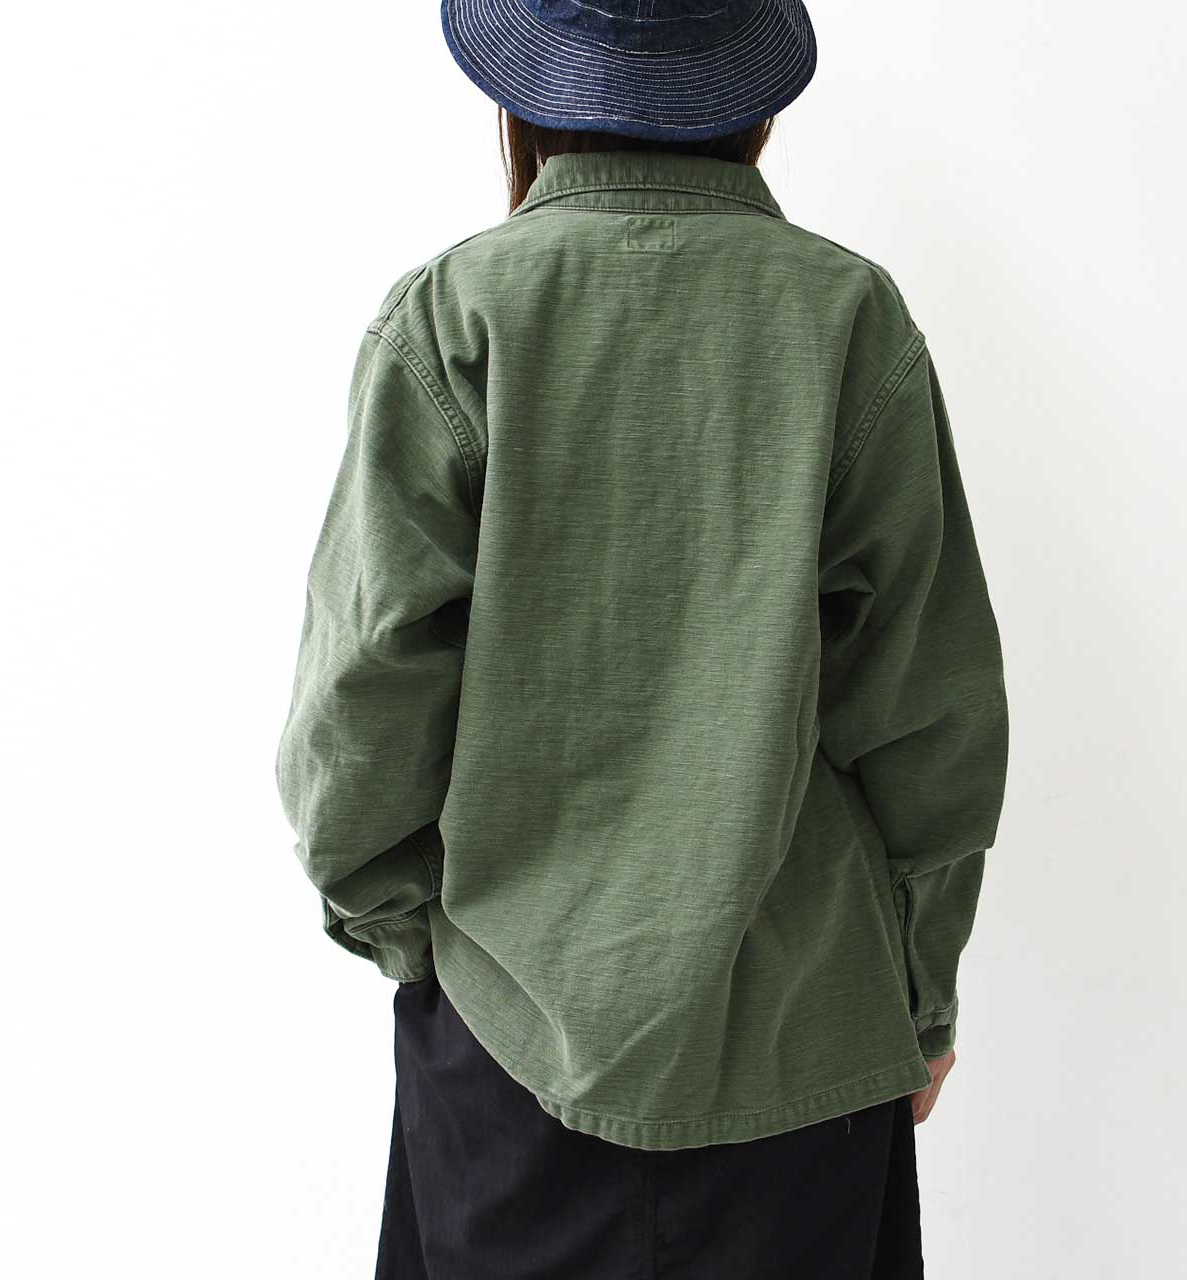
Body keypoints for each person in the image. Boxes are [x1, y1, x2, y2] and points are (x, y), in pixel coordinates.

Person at [274, 2, 1009, 1276]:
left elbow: (363, 689)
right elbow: (928, 715)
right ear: (750, 105)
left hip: (503, 1038)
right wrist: (920, 998)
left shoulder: (456, 312)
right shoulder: (845, 314)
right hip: (804, 1046)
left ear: (522, 100)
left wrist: (412, 935)